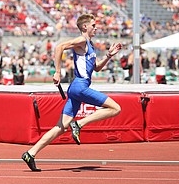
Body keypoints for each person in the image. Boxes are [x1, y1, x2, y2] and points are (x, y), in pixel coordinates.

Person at [21, 14, 122, 171]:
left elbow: (96, 68)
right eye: (93, 25)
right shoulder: (81, 41)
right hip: (80, 87)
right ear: (84, 27)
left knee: (60, 127)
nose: (96, 28)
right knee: (116, 108)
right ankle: (79, 123)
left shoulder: (90, 44)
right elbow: (59, 47)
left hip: (76, 88)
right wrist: (57, 72)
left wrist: (108, 56)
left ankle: (30, 153)